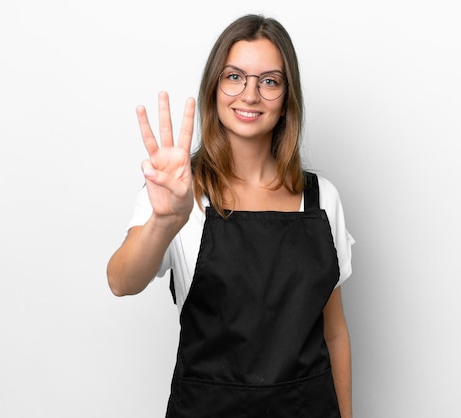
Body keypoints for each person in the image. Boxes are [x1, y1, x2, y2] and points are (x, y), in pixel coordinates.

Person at [107, 14, 355, 418]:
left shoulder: (322, 199)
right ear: (214, 87)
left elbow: (335, 331)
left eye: (269, 81)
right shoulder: (178, 193)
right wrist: (165, 221)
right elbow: (121, 281)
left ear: (287, 98)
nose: (250, 94)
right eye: (235, 76)